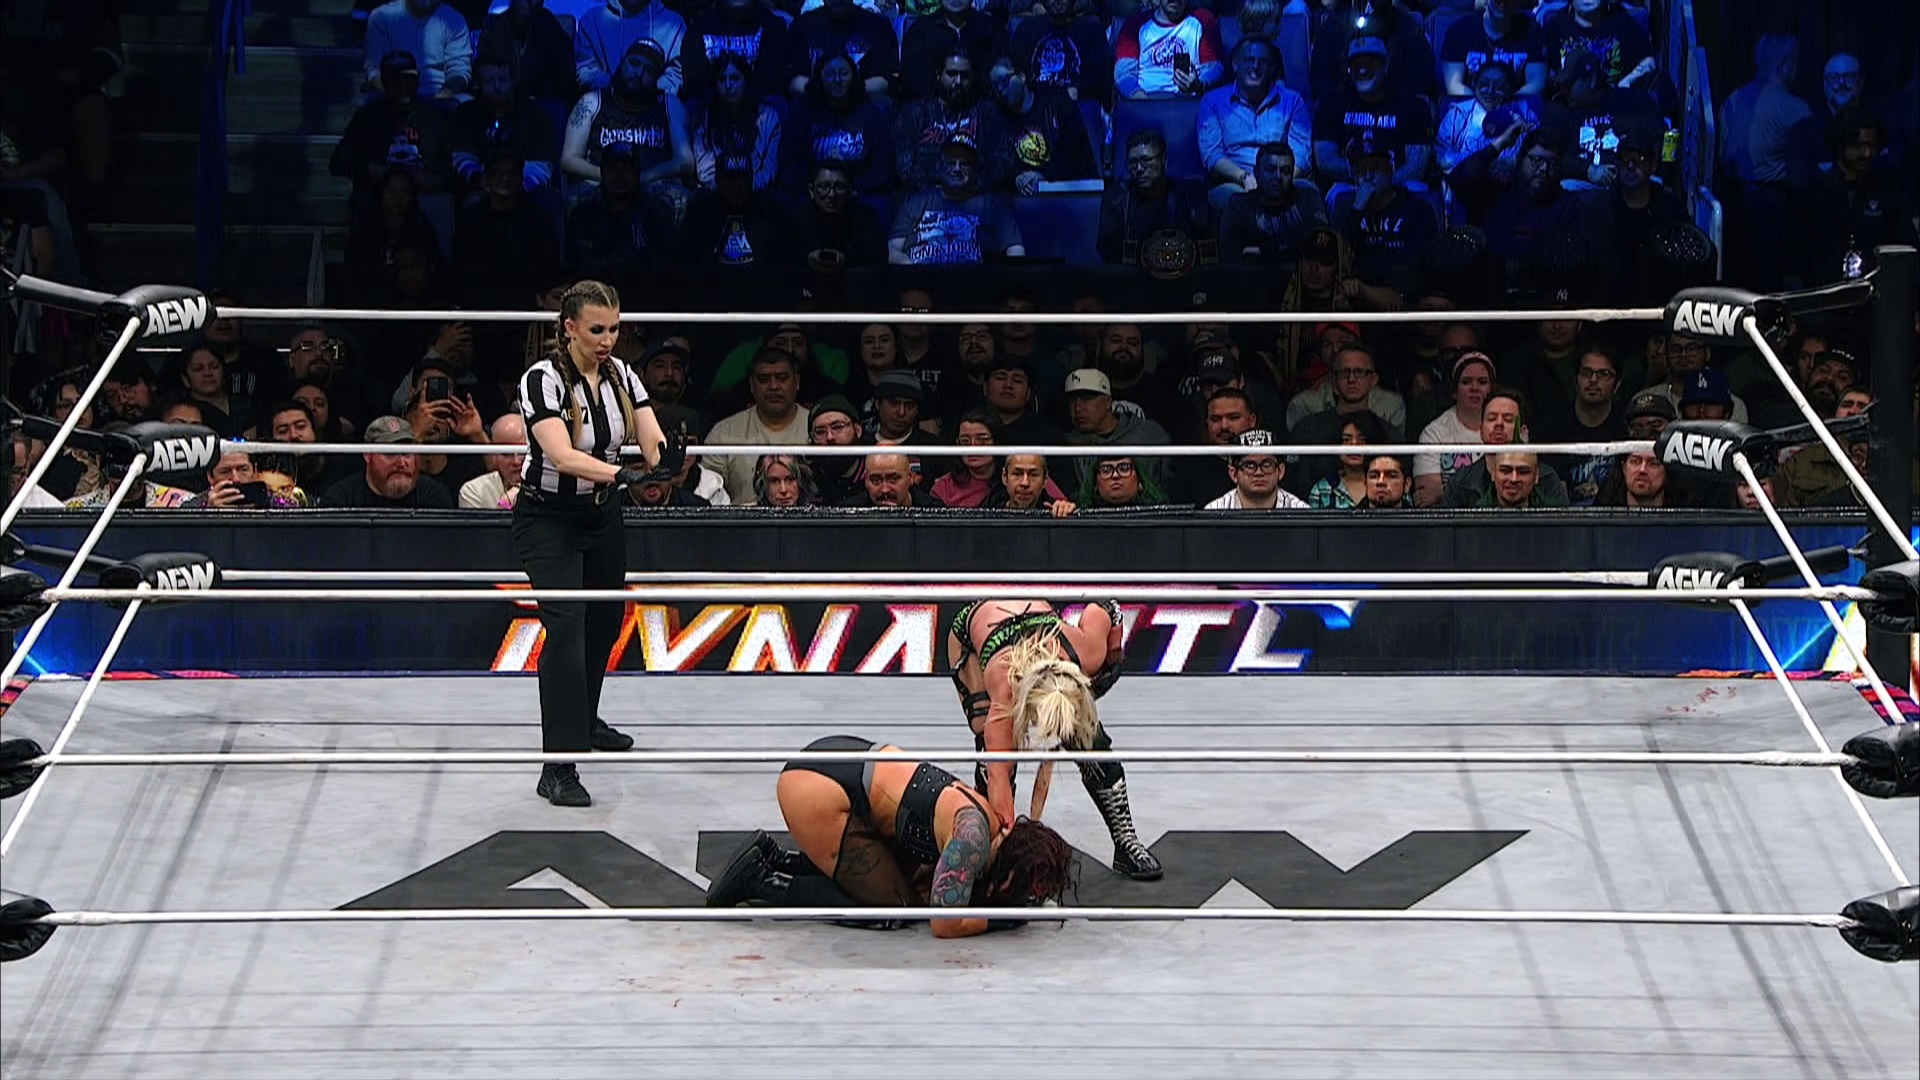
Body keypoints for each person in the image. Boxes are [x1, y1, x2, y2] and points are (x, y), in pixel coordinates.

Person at [512, 279, 680, 808]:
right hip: (548, 517)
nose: (608, 340)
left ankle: (583, 721)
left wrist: (665, 460)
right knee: (565, 628)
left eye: (614, 329)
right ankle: (557, 766)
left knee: (605, 619)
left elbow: (649, 436)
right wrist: (622, 475)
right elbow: (562, 456)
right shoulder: (542, 380)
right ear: (569, 329)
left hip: (601, 514)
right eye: (597, 330)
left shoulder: (622, 375)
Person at [704, 737, 1076, 937]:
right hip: (818, 789)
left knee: (896, 880)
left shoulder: (989, 822)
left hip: (845, 759)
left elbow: (924, 872)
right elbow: (943, 923)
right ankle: (762, 879)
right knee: (893, 910)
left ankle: (777, 857)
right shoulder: (973, 838)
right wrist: (1002, 919)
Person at [946, 597, 1162, 880]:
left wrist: (1113, 655)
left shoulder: (1086, 652)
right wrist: (1012, 848)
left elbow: (1108, 606)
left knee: (1090, 741)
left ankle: (1126, 840)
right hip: (972, 634)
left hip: (1038, 626)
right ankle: (990, 854)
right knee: (989, 744)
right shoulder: (1004, 692)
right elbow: (998, 775)